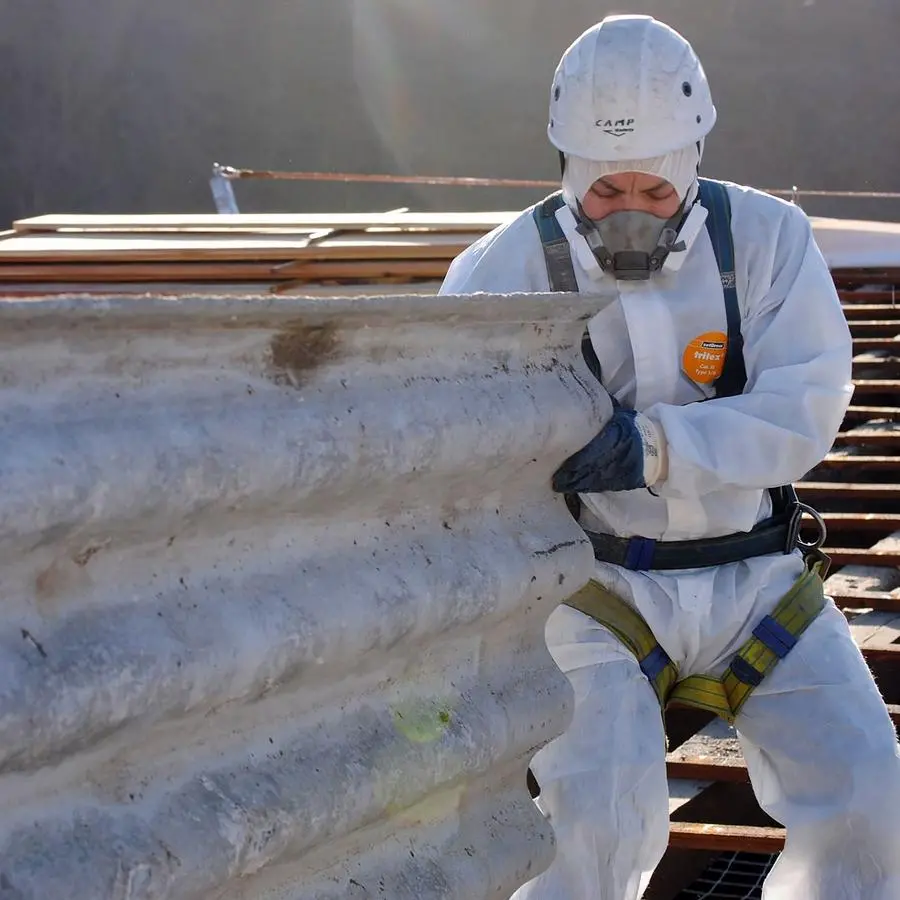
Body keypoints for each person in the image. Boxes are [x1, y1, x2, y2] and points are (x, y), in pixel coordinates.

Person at [439, 14, 900, 900]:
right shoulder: (502, 270)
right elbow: (460, 438)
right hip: (599, 588)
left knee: (867, 794)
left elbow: (806, 408)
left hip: (758, 578)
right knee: (599, 821)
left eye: (654, 192)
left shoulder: (765, 243)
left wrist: (649, 447)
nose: (631, 213)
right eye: (606, 192)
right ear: (567, 168)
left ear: (691, 160)